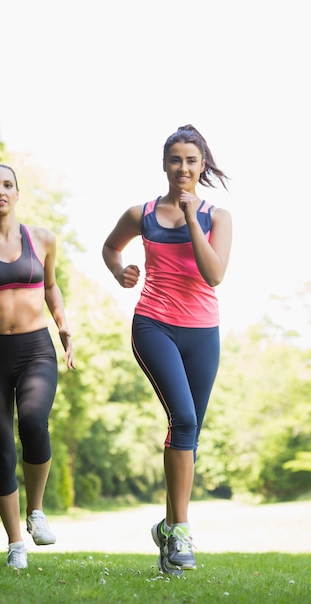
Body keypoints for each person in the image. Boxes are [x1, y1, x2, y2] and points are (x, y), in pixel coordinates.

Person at [102, 125, 232, 573]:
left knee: (189, 435)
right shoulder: (143, 215)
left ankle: (168, 530)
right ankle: (181, 533)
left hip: (203, 332)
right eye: (175, 160)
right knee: (185, 419)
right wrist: (120, 270)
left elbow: (214, 275)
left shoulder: (218, 217)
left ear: (201, 166)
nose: (183, 168)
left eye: (191, 161)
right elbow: (110, 247)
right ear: (164, 165)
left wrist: (193, 217)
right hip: (154, 325)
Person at [0, 164, 75, 569]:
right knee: (2, 451)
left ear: (17, 193)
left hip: (36, 349)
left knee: (35, 424)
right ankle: (15, 543)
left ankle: (36, 511)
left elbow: (51, 286)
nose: (0, 191)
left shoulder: (42, 239)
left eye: (7, 185)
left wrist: (63, 326)